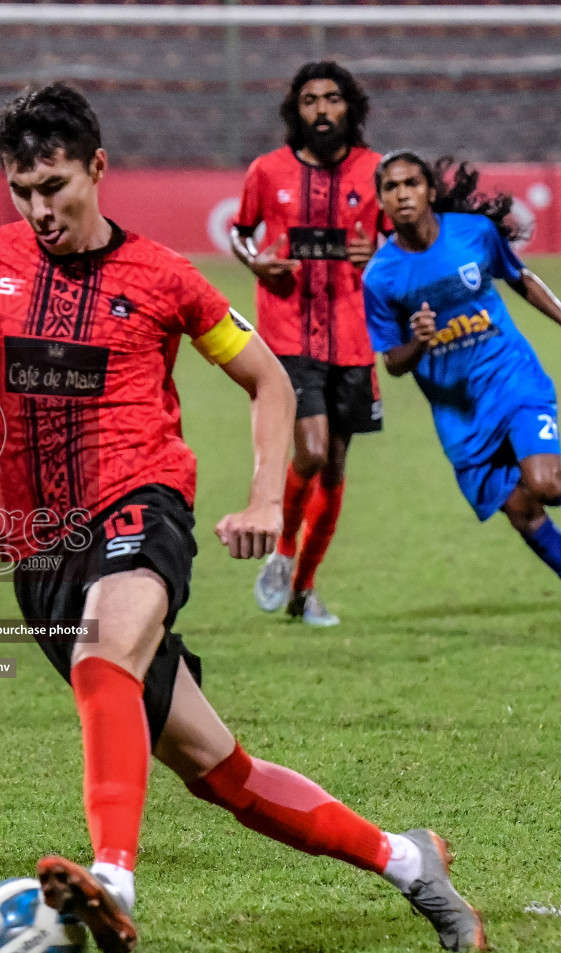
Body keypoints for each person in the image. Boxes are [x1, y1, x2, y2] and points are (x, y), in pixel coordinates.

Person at [0, 83, 486, 953]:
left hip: (143, 504)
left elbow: (269, 379)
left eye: (55, 185)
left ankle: (114, 881)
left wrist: (264, 499)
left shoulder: (163, 277)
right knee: (224, 776)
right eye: (22, 191)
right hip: (41, 553)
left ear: (98, 168)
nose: (40, 208)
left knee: (106, 642)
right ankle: (409, 862)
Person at [362, 151, 561, 637]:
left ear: (429, 189)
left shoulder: (472, 233)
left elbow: (521, 279)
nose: (401, 194)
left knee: (547, 485)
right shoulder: (380, 276)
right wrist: (417, 342)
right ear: (381, 198)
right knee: (522, 511)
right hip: (458, 414)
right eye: (390, 187)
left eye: (411, 183)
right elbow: (393, 363)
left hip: (512, 379)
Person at [231, 62, 383, 626]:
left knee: (336, 468)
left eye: (333, 99)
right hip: (287, 331)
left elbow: (401, 246)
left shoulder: (376, 172)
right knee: (312, 451)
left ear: (351, 107)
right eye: (310, 100)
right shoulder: (267, 171)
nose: (322, 110)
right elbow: (240, 230)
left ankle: (303, 589)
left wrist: (382, 258)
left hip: (352, 335)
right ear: (296, 110)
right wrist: (256, 262)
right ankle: (284, 551)